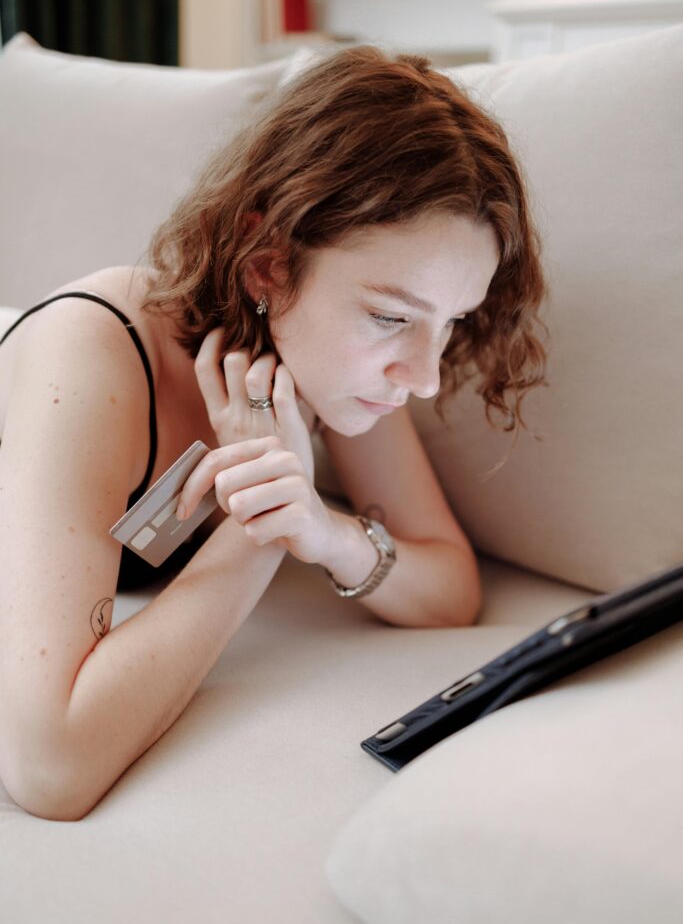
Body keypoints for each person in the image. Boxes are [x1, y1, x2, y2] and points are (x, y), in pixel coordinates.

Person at [0, 45, 546, 820]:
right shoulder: (93, 353)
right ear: (267, 266)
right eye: (390, 316)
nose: (423, 377)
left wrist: (324, 532)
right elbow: (49, 768)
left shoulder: (312, 363)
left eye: (450, 322)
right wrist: (260, 525)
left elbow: (449, 588)